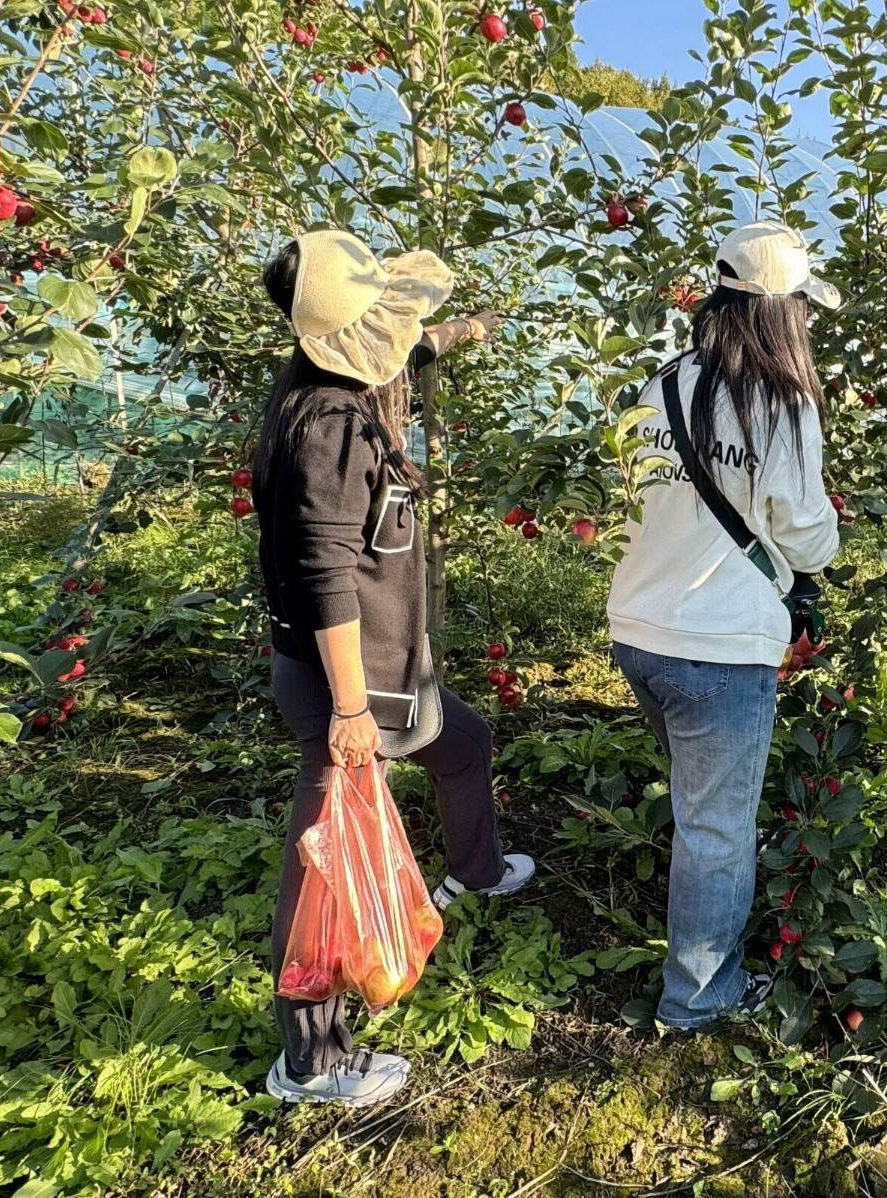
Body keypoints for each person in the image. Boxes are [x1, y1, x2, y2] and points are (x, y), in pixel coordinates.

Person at [253, 230, 535, 1106]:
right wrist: (347, 714)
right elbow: (328, 573)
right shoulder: (331, 427)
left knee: (463, 743)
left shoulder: (322, 383)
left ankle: (476, 870)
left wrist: (466, 331)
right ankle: (312, 1060)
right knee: (323, 866)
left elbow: (411, 340)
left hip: (385, 668)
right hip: (347, 679)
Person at [607, 221, 842, 1031]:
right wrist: (820, 535)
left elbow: (646, 495)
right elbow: (808, 533)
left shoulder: (663, 384)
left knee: (695, 805)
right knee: (716, 830)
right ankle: (698, 998)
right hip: (719, 648)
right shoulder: (781, 406)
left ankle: (694, 942)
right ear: (789, 312)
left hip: (639, 628)